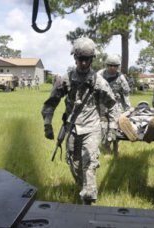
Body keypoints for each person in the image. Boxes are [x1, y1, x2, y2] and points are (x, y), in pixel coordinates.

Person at [41, 37, 117, 205]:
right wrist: (47, 124)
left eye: (87, 59)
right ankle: (84, 187)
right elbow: (51, 103)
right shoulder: (65, 80)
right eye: (80, 59)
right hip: (73, 128)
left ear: (92, 59)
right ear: (74, 58)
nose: (83, 63)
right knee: (74, 163)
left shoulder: (99, 82)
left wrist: (111, 129)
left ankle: (89, 202)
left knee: (89, 163)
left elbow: (112, 106)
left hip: (92, 128)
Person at [97, 54, 131, 156]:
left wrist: (128, 109)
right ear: (107, 65)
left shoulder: (121, 78)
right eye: (110, 65)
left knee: (115, 126)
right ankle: (107, 148)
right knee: (103, 127)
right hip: (102, 105)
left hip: (115, 105)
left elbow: (126, 94)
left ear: (118, 66)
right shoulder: (99, 75)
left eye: (115, 66)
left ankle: (116, 147)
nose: (112, 68)